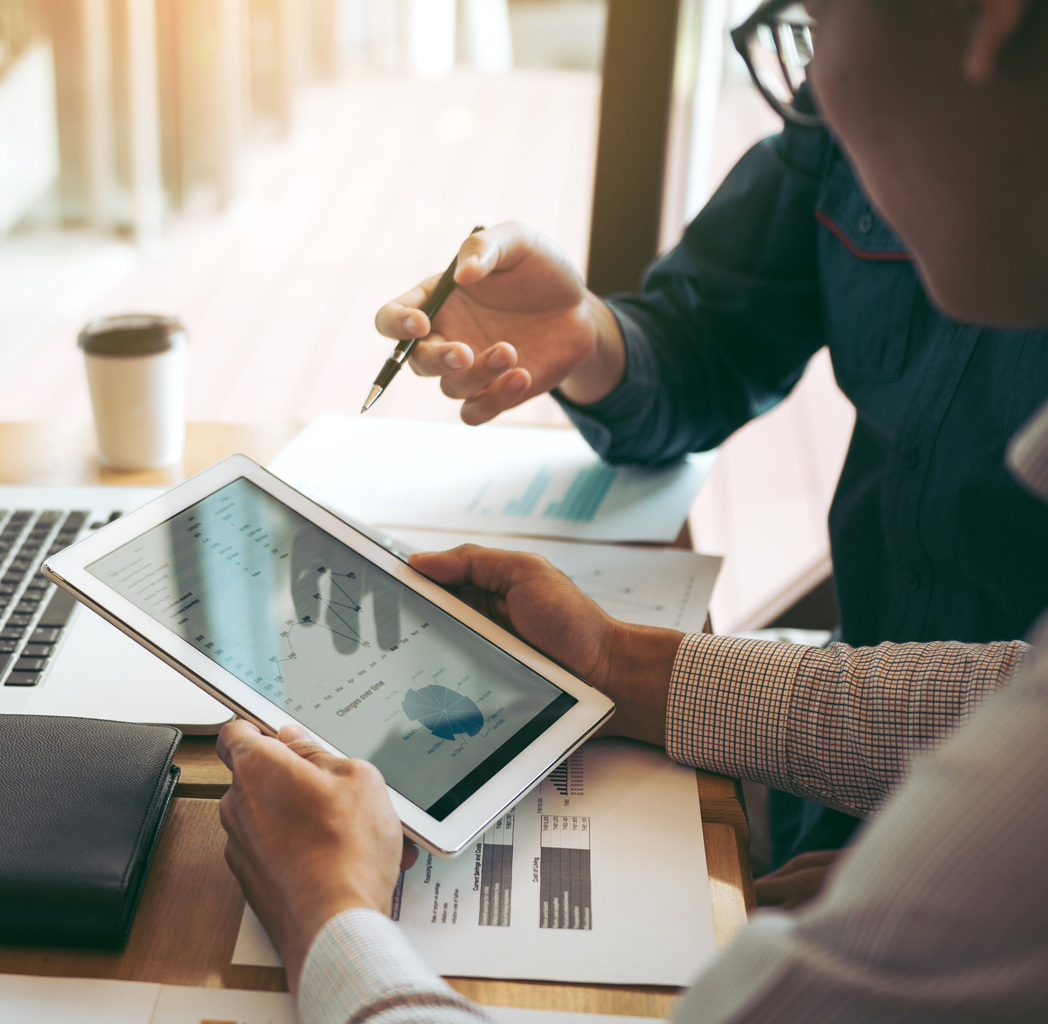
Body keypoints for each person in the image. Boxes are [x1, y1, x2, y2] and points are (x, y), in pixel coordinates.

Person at [215, 1, 1048, 1020]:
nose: (817, 82)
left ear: (991, 23)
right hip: (844, 789)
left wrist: (328, 912)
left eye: (820, 16)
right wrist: (622, 665)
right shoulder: (882, 138)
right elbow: (1008, 687)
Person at [372, 0, 1048, 876]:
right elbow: (712, 340)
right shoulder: (849, 114)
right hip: (828, 770)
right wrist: (589, 337)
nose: (818, 80)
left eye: (820, 18)